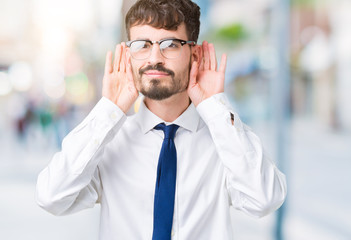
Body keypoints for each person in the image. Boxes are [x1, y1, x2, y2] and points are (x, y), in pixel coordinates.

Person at [36, 0, 287, 239]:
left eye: (170, 44)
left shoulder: (224, 139)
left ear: (195, 54)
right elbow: (51, 197)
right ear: (128, 55)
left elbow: (264, 199)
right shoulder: (108, 141)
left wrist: (215, 107)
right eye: (142, 45)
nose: (154, 58)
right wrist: (109, 110)